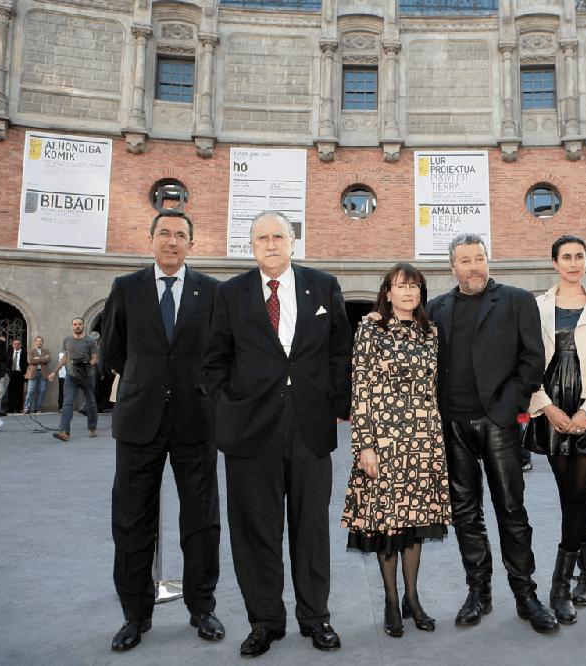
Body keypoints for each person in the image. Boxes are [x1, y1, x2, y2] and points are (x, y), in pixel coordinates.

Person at [203, 210, 352, 658]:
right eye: (262, 238)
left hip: (309, 426)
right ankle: (265, 621)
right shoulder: (230, 294)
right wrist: (231, 407)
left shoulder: (323, 287)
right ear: (251, 246)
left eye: (278, 236)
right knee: (255, 531)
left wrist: (337, 405)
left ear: (293, 241)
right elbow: (214, 360)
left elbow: (340, 351)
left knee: (311, 529)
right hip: (251, 432)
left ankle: (315, 618)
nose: (271, 244)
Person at [100, 211, 224, 651]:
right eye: (164, 234)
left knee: (202, 520)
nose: (172, 242)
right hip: (139, 421)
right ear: (150, 239)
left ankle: (202, 607)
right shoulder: (126, 289)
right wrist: (144, 382)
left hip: (196, 419)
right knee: (132, 521)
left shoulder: (211, 291)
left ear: (192, 243)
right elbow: (111, 350)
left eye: (181, 235)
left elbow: (222, 353)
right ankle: (135, 615)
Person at [429, 233, 556, 634]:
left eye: (479, 258)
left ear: (488, 260)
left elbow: (533, 358)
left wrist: (509, 405)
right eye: (465, 260)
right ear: (453, 267)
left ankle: (525, 595)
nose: (474, 267)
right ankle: (478, 593)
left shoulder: (516, 300)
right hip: (453, 425)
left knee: (511, 511)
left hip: (498, 423)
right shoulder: (436, 308)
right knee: (466, 514)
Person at [341, 263, 451, 638]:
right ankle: (391, 600)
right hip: (383, 442)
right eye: (400, 286)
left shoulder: (429, 331)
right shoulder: (371, 328)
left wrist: (434, 440)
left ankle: (412, 599)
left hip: (422, 440)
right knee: (388, 525)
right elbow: (361, 389)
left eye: (414, 286)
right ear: (387, 292)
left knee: (416, 524)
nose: (408, 292)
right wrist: (365, 446)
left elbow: (434, 386)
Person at [523, 235, 586, 624]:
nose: (574, 262)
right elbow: (526, 360)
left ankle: (560, 585)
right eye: (567, 257)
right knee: (569, 497)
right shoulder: (536, 307)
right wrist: (544, 406)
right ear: (554, 263)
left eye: (580, 256)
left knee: (578, 493)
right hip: (550, 407)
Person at [48, 317, 98, 440]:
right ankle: (64, 432)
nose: (77, 326)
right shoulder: (67, 340)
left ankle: (92, 427)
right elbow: (65, 357)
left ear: (83, 326)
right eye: (75, 324)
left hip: (87, 376)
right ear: (72, 326)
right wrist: (54, 371)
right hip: (71, 376)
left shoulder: (90, 341)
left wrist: (86, 364)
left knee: (91, 403)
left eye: (79, 324)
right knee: (67, 403)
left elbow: (95, 358)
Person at [24, 336, 51, 414]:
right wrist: (42, 359)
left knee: (42, 391)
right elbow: (30, 360)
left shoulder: (46, 351)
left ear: (43, 342)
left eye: (41, 341)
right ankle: (27, 408)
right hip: (33, 372)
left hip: (43, 373)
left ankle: (38, 408)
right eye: (38, 341)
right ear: (35, 342)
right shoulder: (31, 351)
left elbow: (48, 359)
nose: (39, 342)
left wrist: (37, 358)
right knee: (30, 391)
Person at [6, 338, 27, 414]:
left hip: (20, 374)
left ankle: (19, 408)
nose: (16, 345)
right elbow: (7, 363)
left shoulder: (24, 353)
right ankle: (10, 408)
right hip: (11, 374)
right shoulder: (9, 352)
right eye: (15, 344)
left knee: (20, 391)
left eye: (18, 344)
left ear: (21, 345)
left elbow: (26, 364)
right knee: (11, 391)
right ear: (12, 345)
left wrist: (26, 374)